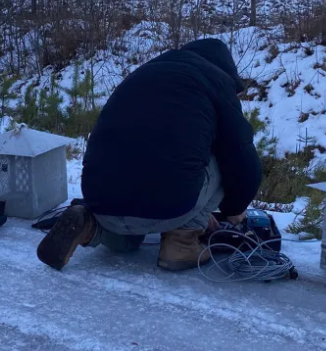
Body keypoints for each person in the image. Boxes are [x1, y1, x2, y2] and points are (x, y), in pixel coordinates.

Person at [37, 38, 262, 272]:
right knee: (225, 152)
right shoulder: (217, 81)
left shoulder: (143, 74)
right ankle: (181, 242)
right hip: (168, 201)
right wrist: (233, 209)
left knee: (126, 240)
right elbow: (241, 156)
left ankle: (91, 226)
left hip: (100, 198)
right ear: (225, 68)